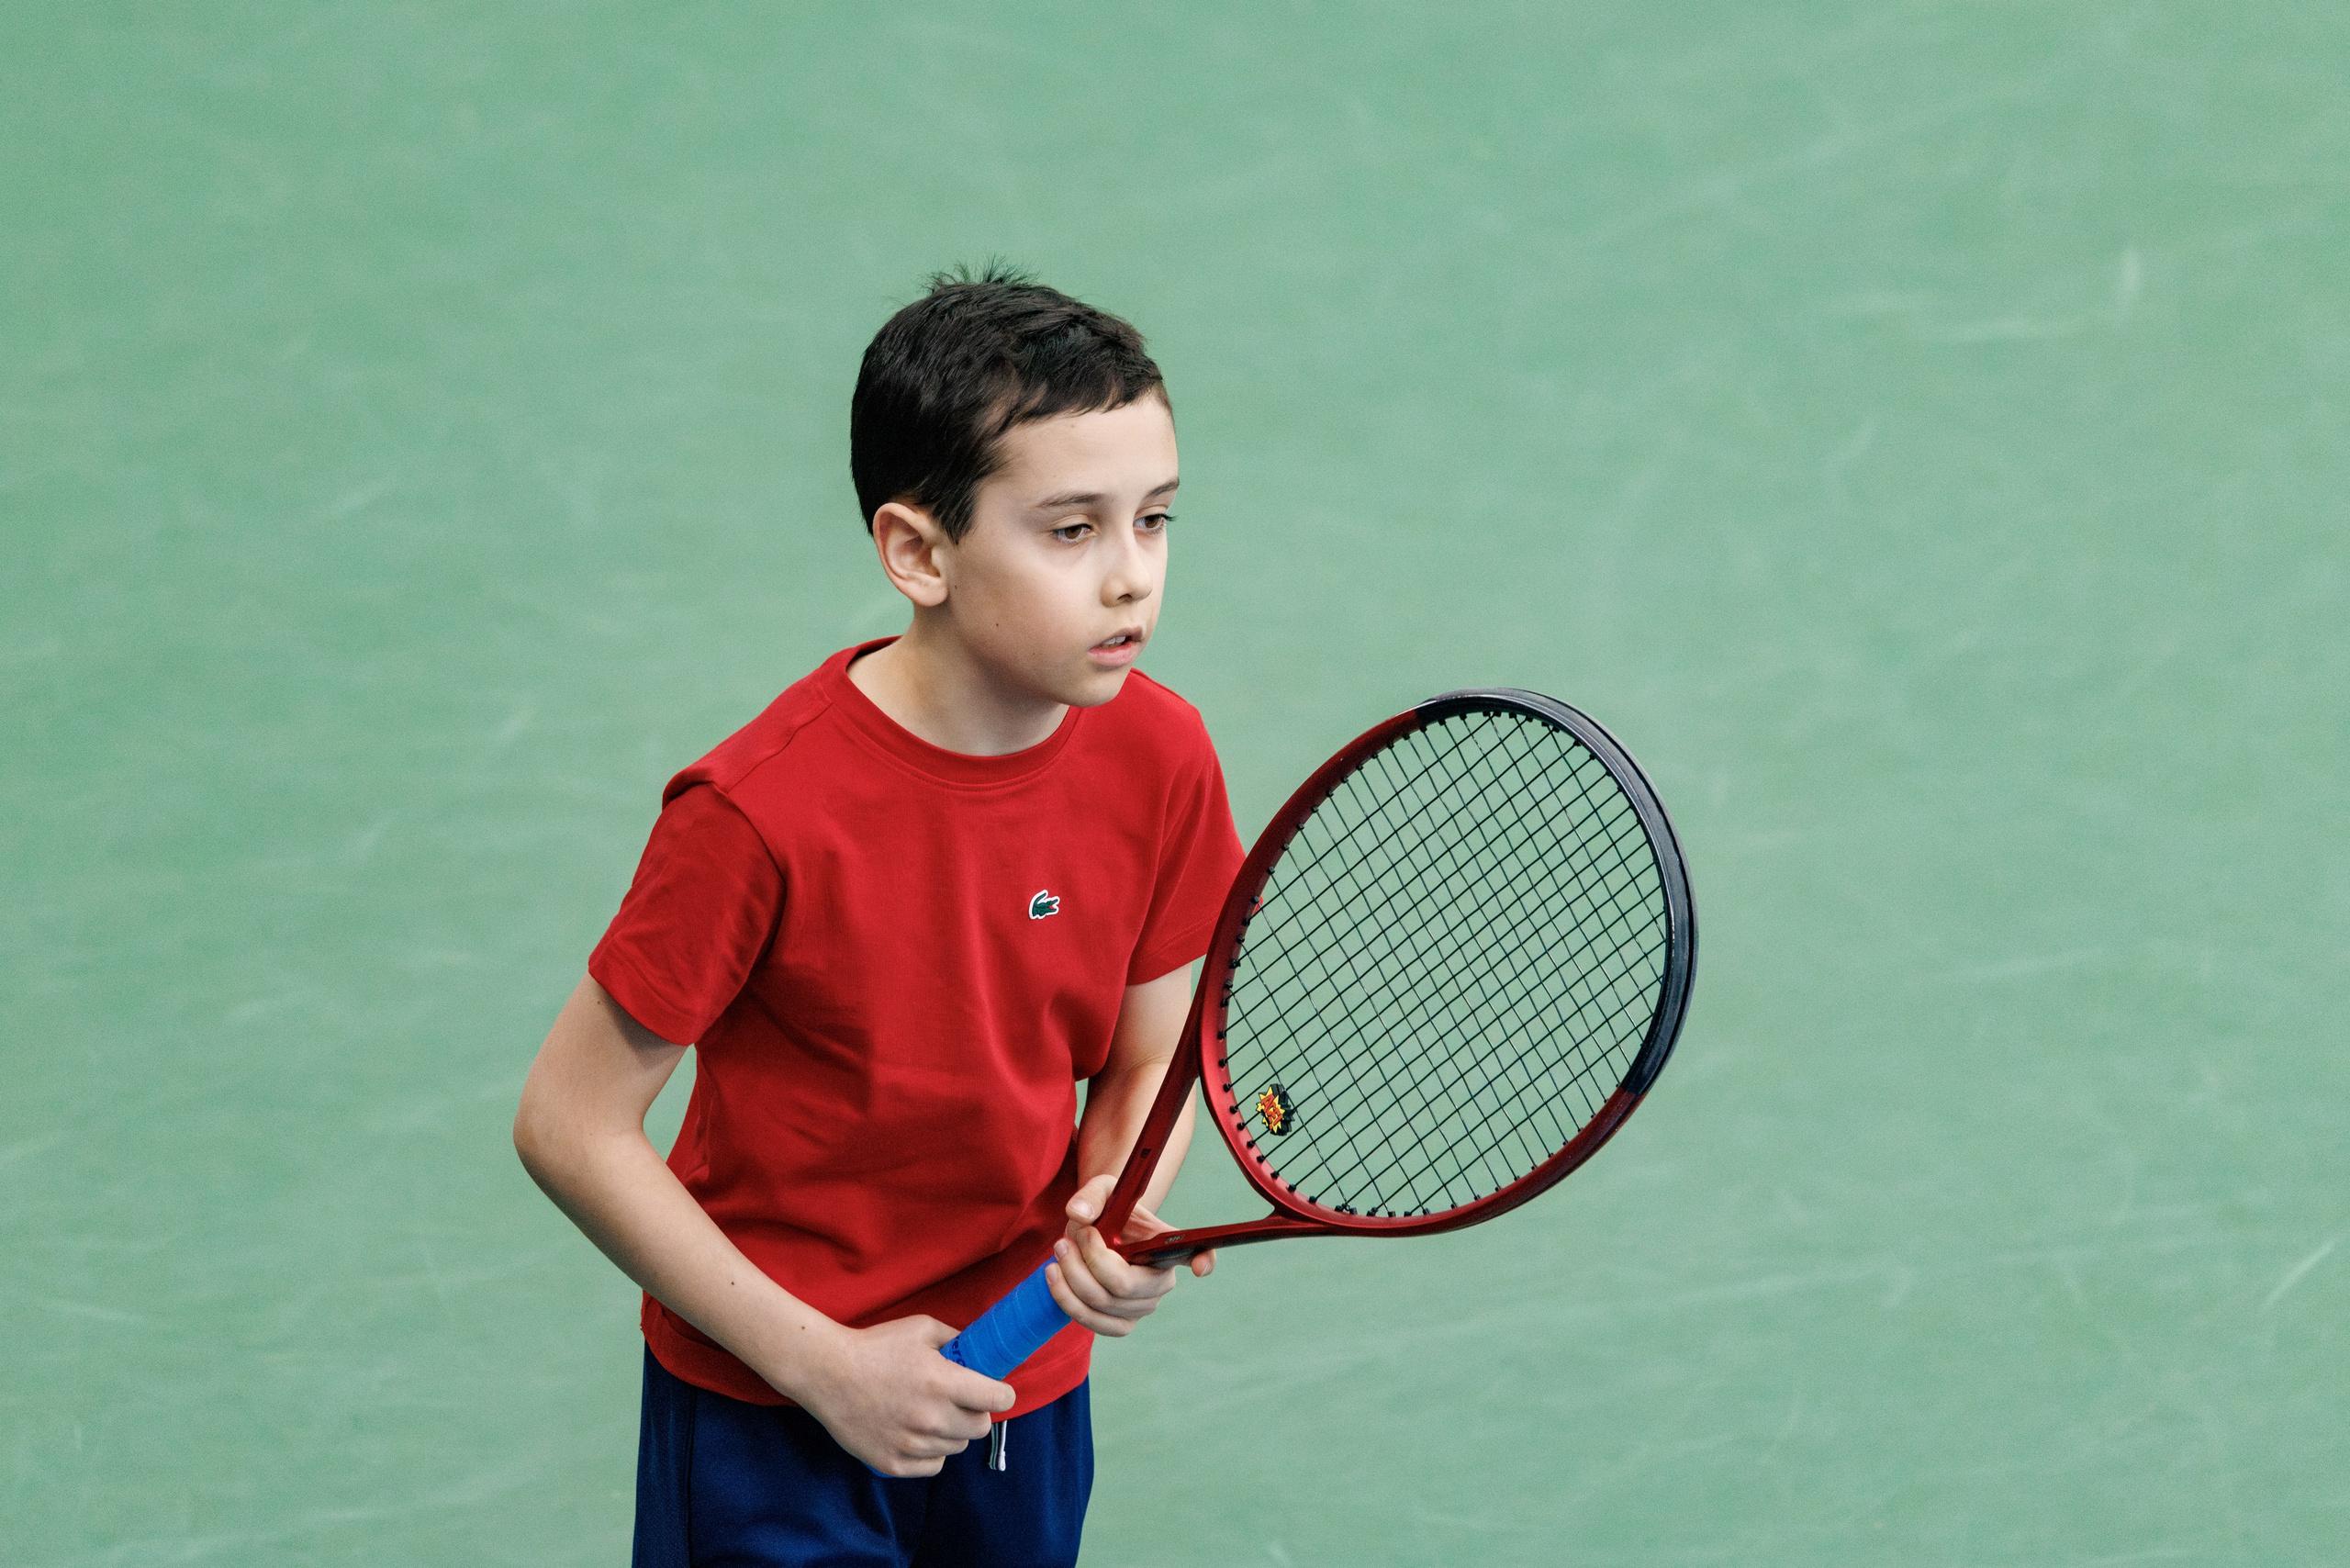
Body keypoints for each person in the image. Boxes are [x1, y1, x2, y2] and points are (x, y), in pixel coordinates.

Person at [513, 266, 1245, 1567]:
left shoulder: (1162, 756)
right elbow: (570, 1125)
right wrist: (824, 1366)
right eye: (1071, 531)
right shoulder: (757, 812)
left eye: (1155, 520)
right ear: (918, 552)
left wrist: (1120, 1197)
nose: (1132, 577)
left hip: (1018, 1388)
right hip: (773, 1405)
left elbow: (1154, 1057)